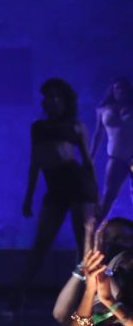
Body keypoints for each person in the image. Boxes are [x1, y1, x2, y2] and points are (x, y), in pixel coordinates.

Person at [18, 78, 98, 293]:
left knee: (83, 245)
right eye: (49, 96)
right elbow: (35, 164)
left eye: (57, 97)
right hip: (55, 187)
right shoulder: (38, 127)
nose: (52, 101)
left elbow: (87, 162)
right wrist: (28, 198)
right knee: (41, 242)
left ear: (65, 101)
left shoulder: (76, 127)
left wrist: (96, 196)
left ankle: (83, 299)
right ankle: (18, 297)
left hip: (78, 184)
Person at [91, 77, 133, 225]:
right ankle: (93, 232)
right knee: (108, 195)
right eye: (117, 88)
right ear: (112, 90)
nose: (120, 91)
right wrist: (91, 155)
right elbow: (98, 134)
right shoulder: (103, 109)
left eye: (123, 88)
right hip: (116, 157)